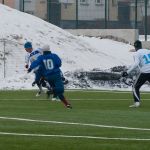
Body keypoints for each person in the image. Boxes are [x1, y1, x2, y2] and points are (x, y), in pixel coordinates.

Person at [27, 45, 72, 109]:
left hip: (48, 77)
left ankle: (67, 105)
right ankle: (51, 92)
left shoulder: (41, 57)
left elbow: (35, 63)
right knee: (60, 90)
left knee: (57, 91)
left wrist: (30, 68)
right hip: (56, 75)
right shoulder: (54, 55)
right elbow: (59, 64)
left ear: (43, 51)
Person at [122, 40, 150, 108]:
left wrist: (127, 72)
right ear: (141, 45)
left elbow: (136, 64)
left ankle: (137, 103)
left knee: (135, 87)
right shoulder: (147, 50)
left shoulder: (136, 53)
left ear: (135, 47)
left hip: (145, 72)